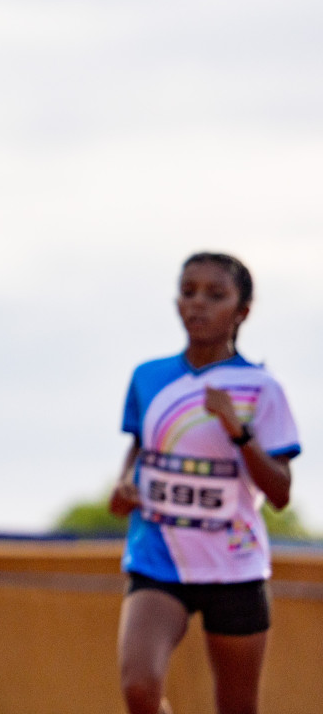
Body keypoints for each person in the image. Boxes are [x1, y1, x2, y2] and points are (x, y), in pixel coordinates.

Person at [110, 253, 301, 714]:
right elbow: (141, 447)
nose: (198, 304)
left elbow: (279, 493)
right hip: (159, 560)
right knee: (139, 687)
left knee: (237, 707)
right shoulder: (148, 377)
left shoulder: (260, 389)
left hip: (234, 566)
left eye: (216, 295)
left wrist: (237, 430)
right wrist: (124, 483)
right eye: (188, 291)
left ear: (242, 311)